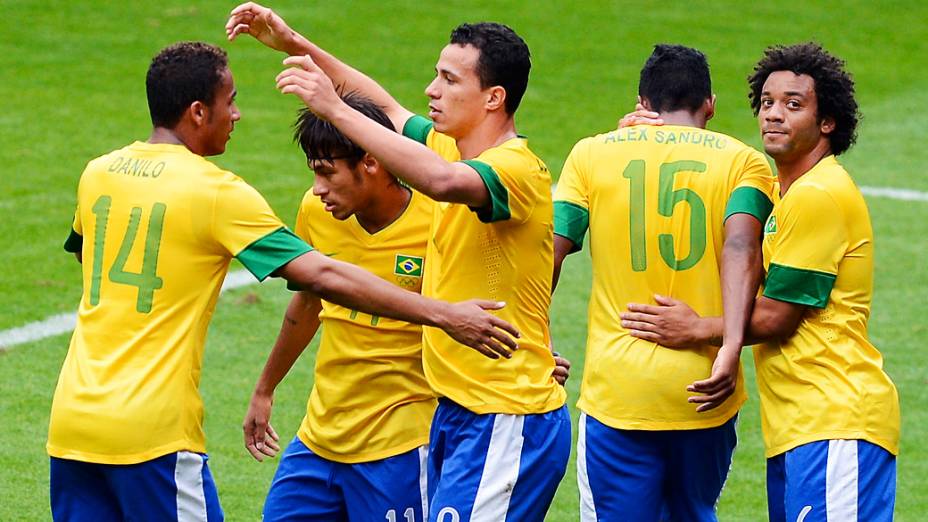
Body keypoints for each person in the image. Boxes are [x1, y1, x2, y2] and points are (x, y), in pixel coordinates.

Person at [48, 41, 520, 522]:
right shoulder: (217, 192)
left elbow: (90, 254)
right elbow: (320, 277)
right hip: (150, 430)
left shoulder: (97, 173)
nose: (236, 114)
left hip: (70, 423)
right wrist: (443, 315)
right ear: (196, 112)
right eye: (228, 101)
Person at [226, 5, 570, 520]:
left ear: (494, 98)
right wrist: (292, 42)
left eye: (449, 79)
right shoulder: (448, 148)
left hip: (505, 412)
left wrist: (336, 111)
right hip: (460, 411)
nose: (431, 89)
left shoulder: (517, 169)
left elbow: (442, 184)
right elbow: (381, 105)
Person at [619, 42, 900, 522]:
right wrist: (654, 137)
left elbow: (777, 317)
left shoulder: (819, 195)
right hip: (800, 425)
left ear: (826, 121)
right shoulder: (786, 193)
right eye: (767, 102)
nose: (774, 115)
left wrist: (696, 329)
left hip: (835, 420)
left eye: (794, 105)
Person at [551, 44, 775, 521]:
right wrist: (732, 346)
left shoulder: (590, 154)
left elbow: (549, 251)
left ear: (642, 102)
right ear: (710, 103)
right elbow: (742, 248)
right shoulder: (746, 162)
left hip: (619, 395)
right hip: (704, 388)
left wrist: (532, 340)